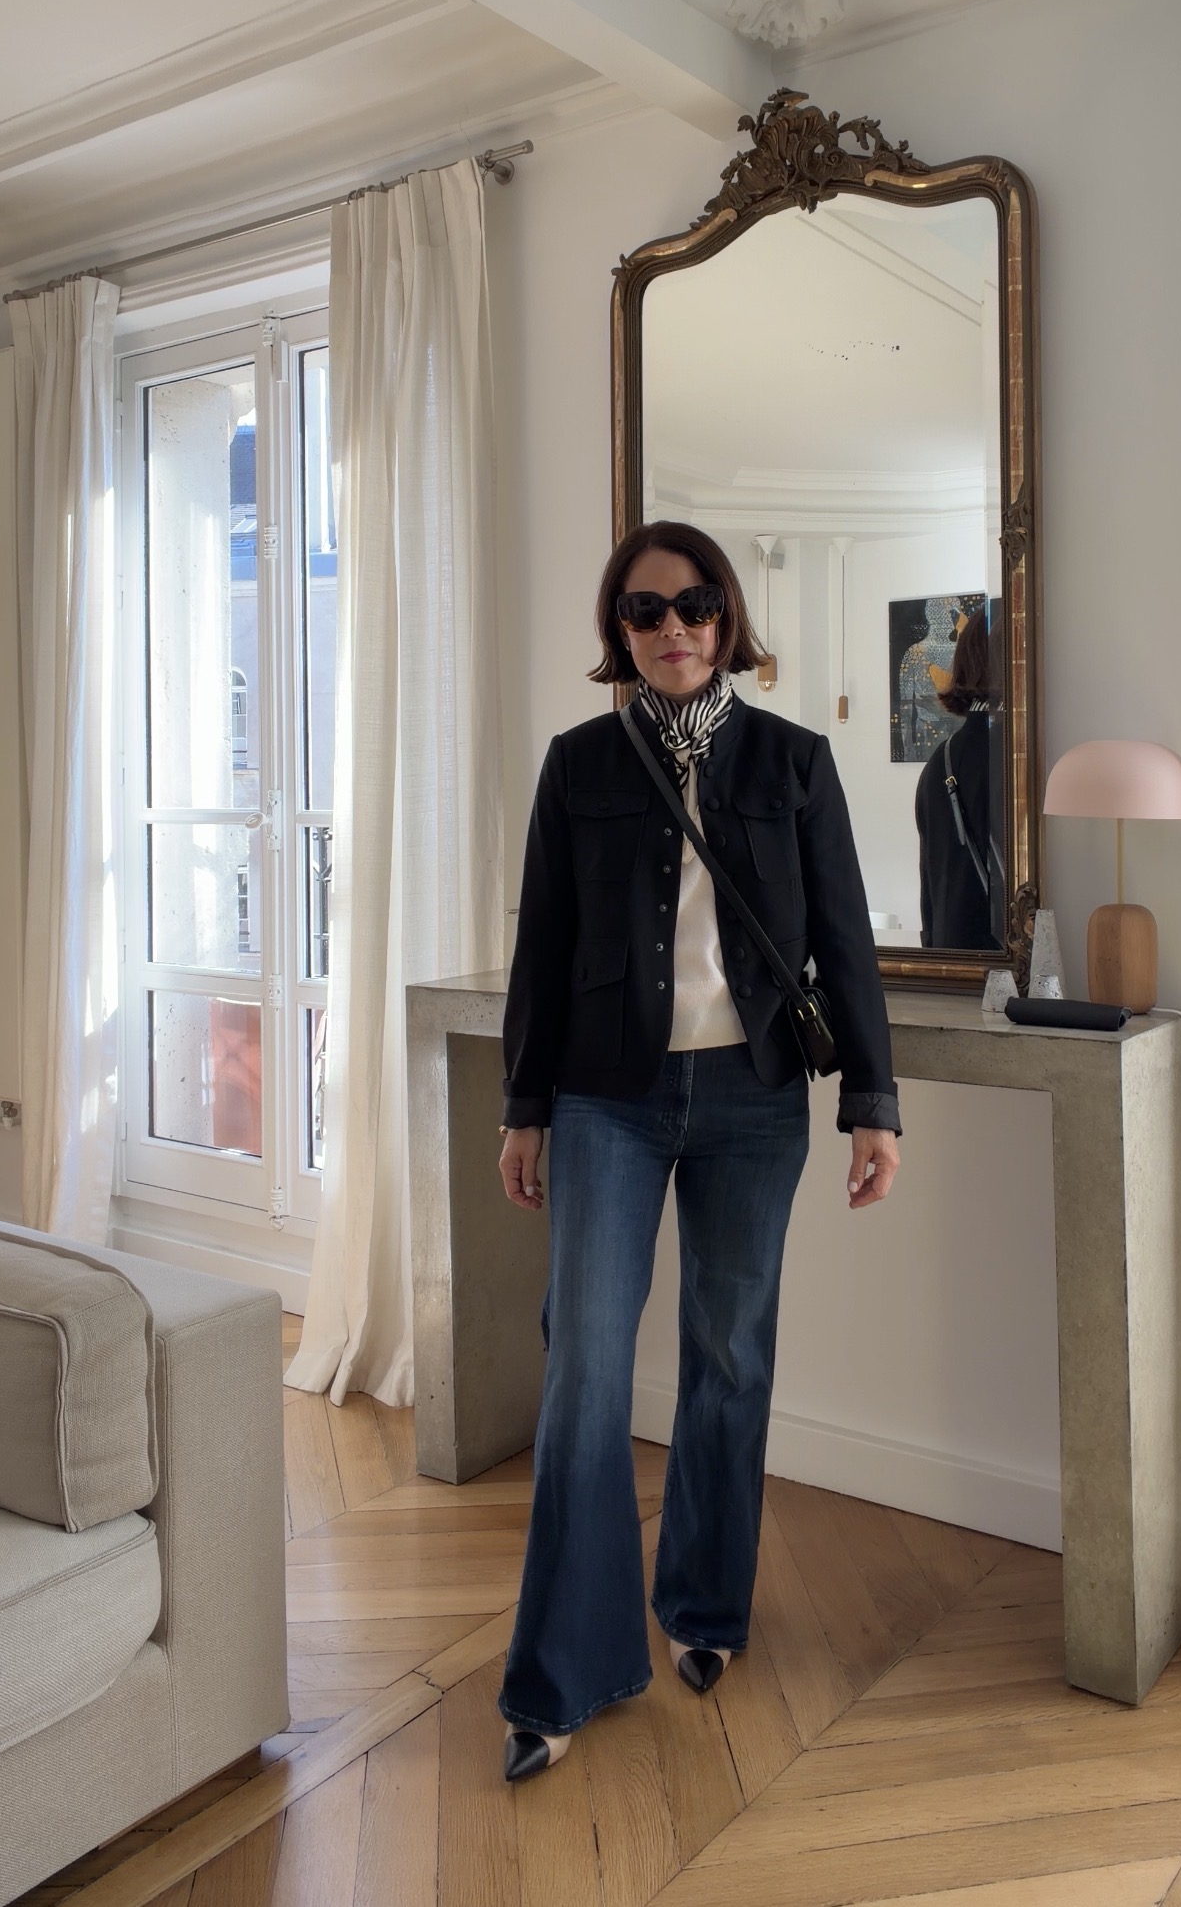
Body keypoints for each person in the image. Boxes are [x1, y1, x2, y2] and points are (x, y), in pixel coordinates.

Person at [495, 519, 901, 1783]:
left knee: (729, 1356)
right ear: (616, 631)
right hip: (606, 1098)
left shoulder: (791, 761)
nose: (673, 628)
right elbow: (542, 949)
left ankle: (707, 1610)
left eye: (696, 606)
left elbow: (843, 935)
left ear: (728, 618)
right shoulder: (576, 766)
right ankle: (566, 1671)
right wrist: (525, 1105)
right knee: (585, 1372)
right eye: (644, 609)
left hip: (752, 1098)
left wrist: (874, 1100)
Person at [914, 608, 1005, 950]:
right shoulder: (1019, 757)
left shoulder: (939, 763)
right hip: (1011, 965)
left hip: (951, 960)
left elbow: (930, 885)